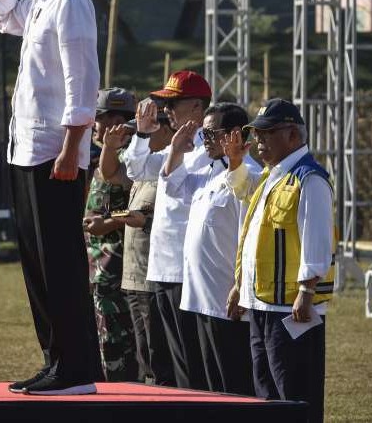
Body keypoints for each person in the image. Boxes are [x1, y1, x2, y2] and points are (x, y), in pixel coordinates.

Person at [0, 0, 101, 396]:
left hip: (57, 151)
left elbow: (82, 80)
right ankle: (55, 360)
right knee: (36, 263)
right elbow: (5, 18)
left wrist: (73, 148)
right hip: (28, 148)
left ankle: (76, 366)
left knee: (61, 262)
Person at [223, 98, 336, 422]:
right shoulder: (275, 176)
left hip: (291, 307)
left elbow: (317, 237)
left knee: (294, 392)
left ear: (292, 135)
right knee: (266, 391)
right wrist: (242, 287)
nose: (259, 141)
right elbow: (252, 227)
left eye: (266, 133)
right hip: (262, 303)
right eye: (257, 134)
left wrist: (306, 291)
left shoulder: (309, 178)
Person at [122, 70, 212, 390]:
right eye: (166, 104)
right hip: (161, 267)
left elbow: (176, 191)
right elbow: (135, 168)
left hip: (186, 271)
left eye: (175, 103)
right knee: (166, 360)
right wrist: (143, 135)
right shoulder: (178, 146)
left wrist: (175, 152)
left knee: (190, 360)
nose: (168, 110)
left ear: (198, 109)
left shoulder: (206, 153)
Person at [161, 103, 258, 395]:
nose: (205, 141)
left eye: (210, 133)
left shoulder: (249, 175)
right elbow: (174, 187)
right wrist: (176, 149)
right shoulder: (212, 173)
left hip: (225, 299)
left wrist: (241, 285)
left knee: (234, 386)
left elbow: (250, 237)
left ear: (233, 135)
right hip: (199, 297)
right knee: (208, 389)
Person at [101, 117, 176, 386]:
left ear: (166, 131)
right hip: (133, 277)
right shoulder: (145, 168)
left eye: (145, 134)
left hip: (153, 278)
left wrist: (144, 221)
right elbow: (110, 173)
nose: (137, 140)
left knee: (157, 357)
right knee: (143, 356)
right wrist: (109, 147)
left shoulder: (171, 167)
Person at [82, 87, 138, 382]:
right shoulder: (105, 152)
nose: (96, 126)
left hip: (117, 265)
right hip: (98, 262)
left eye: (101, 119)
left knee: (119, 341)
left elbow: (141, 206)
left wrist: (109, 222)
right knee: (104, 336)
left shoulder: (134, 157)